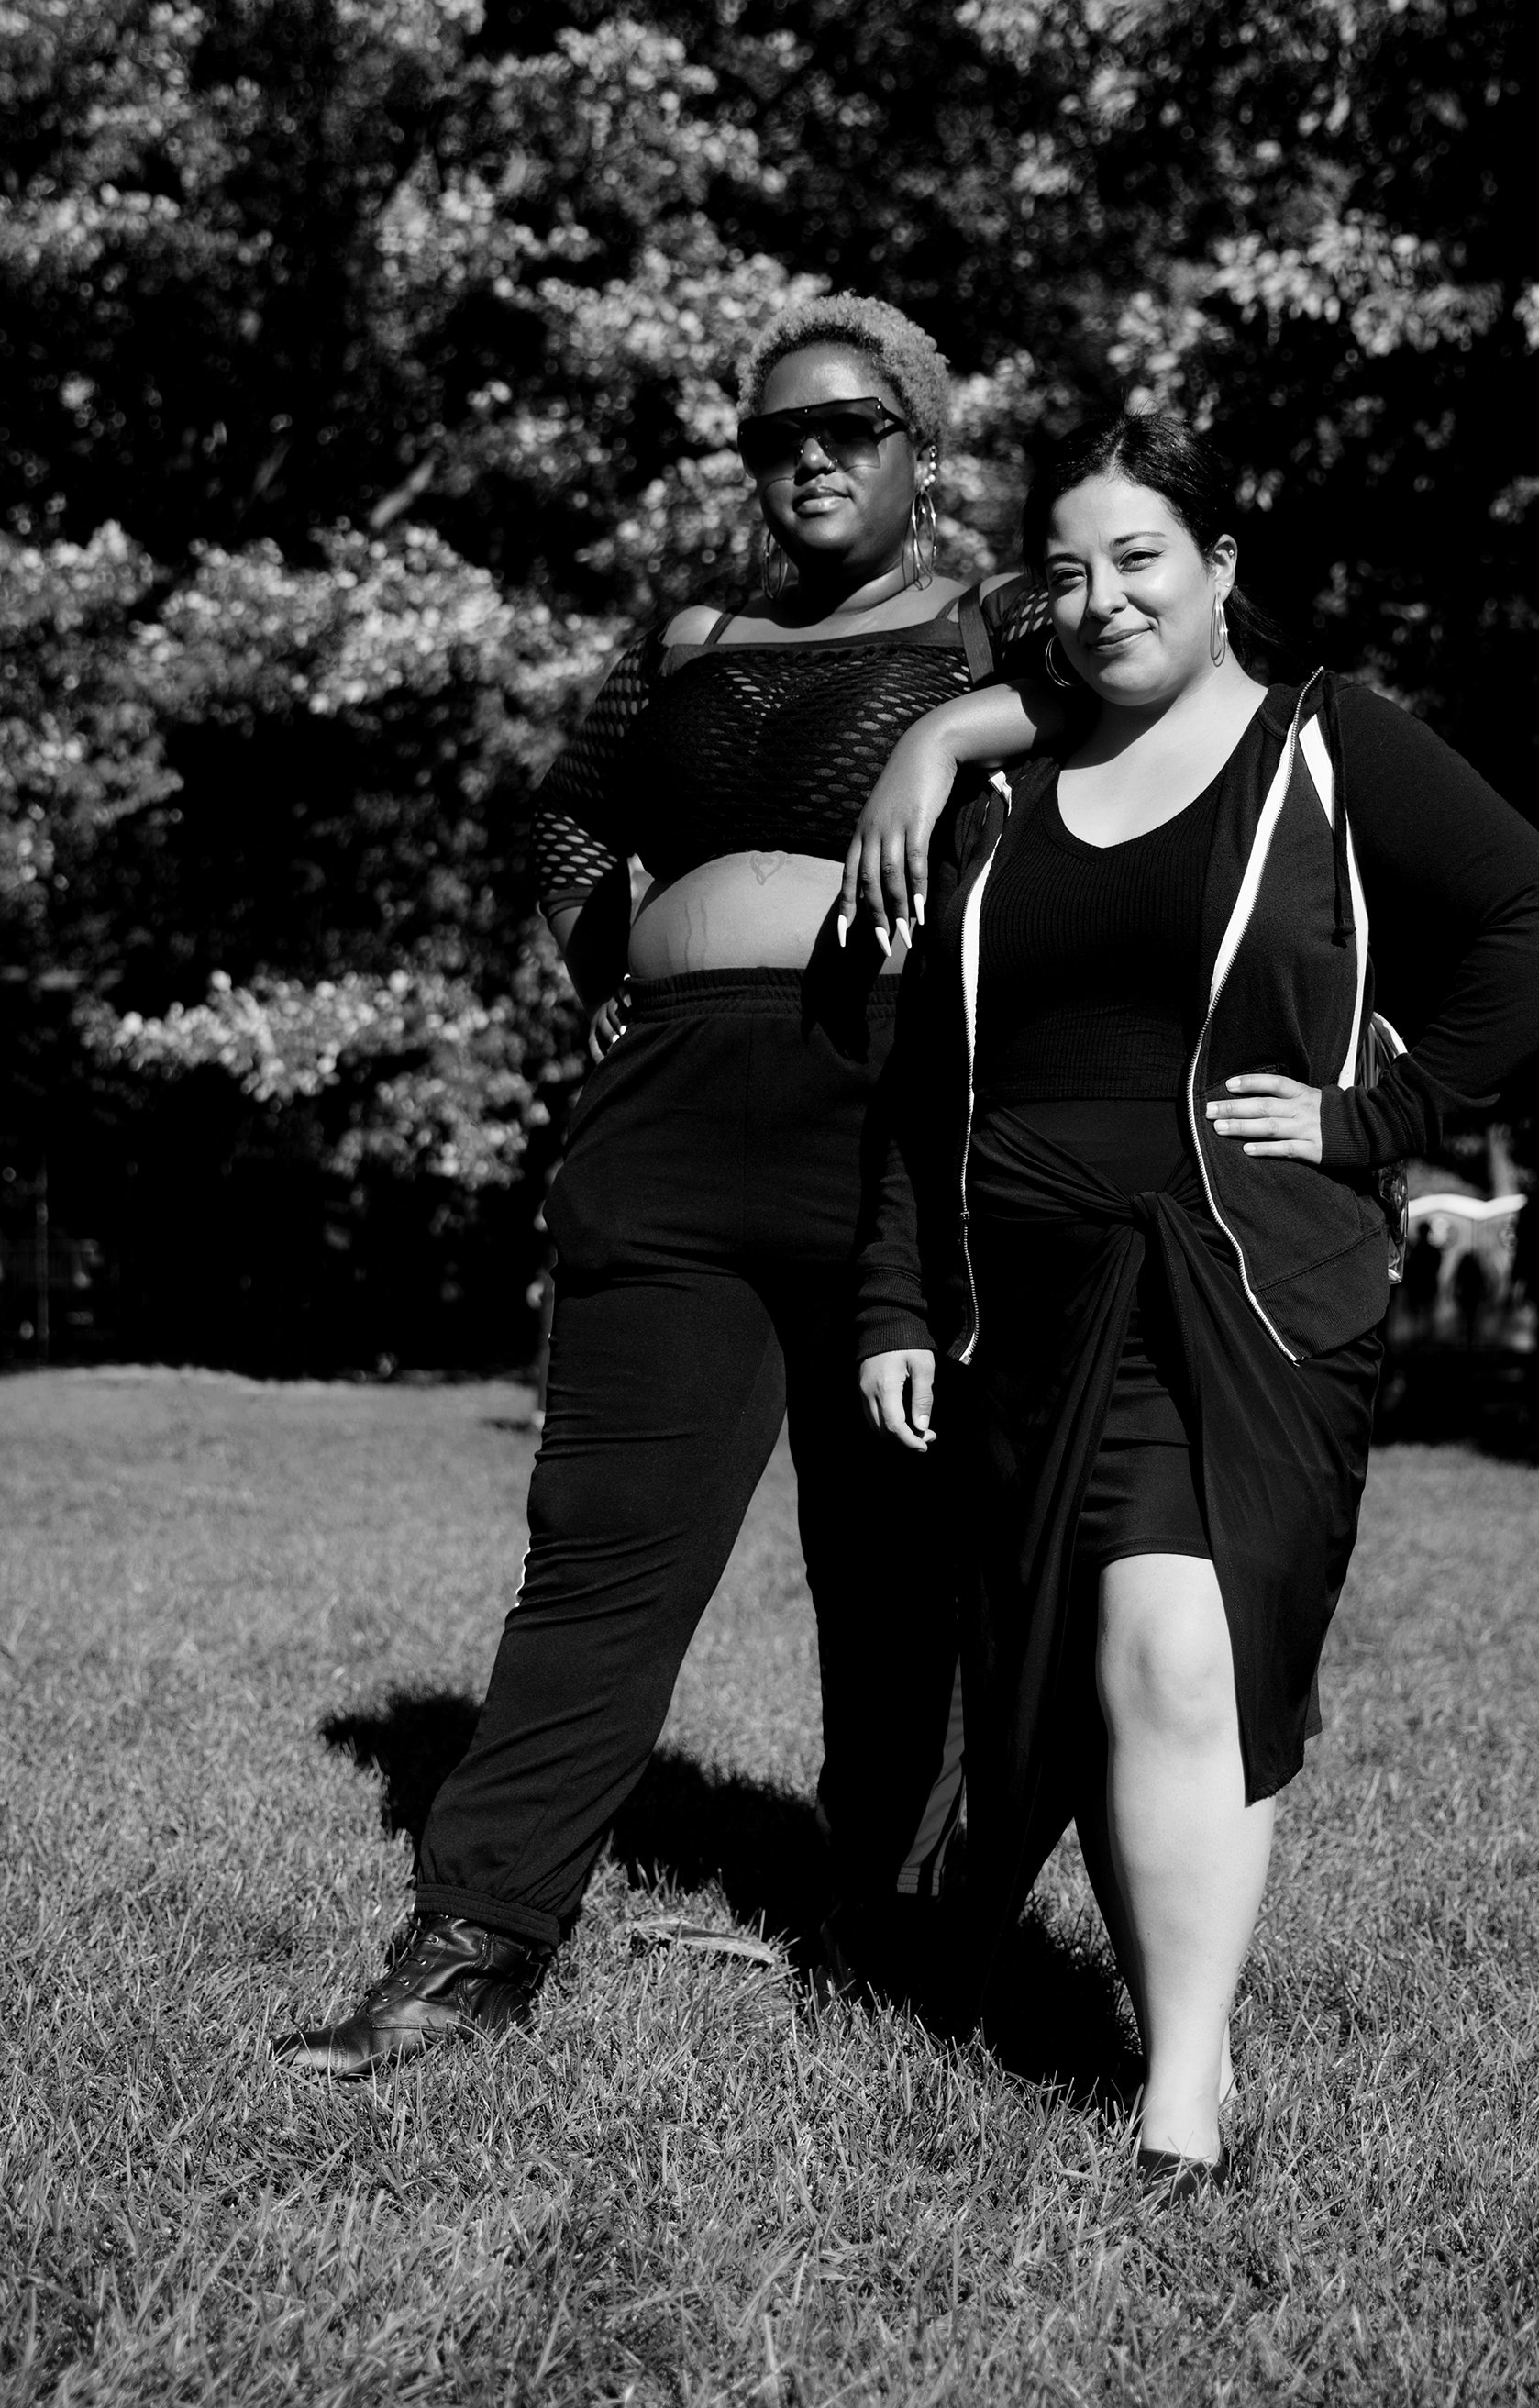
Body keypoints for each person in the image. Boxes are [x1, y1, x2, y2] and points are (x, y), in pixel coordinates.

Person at [275, 293, 1063, 2078]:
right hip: (669, 1115)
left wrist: (942, 739)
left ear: (920, 450)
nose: (802, 459)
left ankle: (904, 1911)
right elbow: (566, 812)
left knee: (894, 1562)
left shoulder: (989, 614)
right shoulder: (692, 629)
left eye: (845, 426)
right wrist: (606, 975)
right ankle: (478, 1932)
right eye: (769, 436)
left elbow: (1159, 668)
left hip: (886, 1116)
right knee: (601, 1552)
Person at [855, 410, 1539, 2192]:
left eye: (1140, 556)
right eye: (1068, 566)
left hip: (1249, 1284)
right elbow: (920, 1083)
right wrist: (897, 1295)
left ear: (1220, 569)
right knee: (1105, 1679)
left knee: (1181, 1651)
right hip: (1024, 1303)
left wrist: (1381, 1114)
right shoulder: (1000, 796)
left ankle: (1179, 2105)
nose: (1104, 594)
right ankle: (1117, 2005)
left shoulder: (1323, 742)